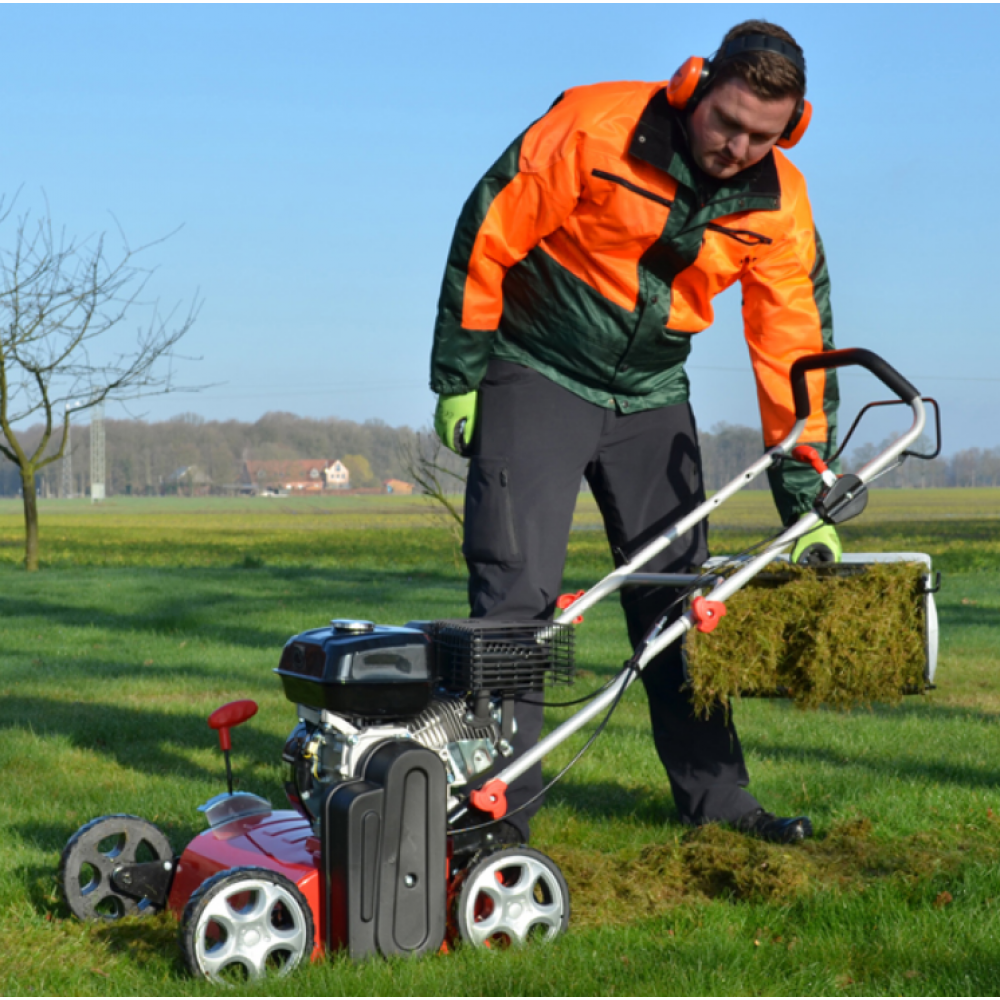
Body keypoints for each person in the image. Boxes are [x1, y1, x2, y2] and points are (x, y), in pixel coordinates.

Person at [429, 20, 841, 845]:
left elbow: (792, 343)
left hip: (652, 391)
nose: (736, 146)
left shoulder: (779, 201)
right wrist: (460, 372)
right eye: (726, 121)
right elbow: (490, 229)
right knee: (516, 600)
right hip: (537, 366)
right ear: (697, 88)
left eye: (762, 135)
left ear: (789, 126)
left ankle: (719, 805)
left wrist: (806, 495)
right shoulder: (595, 126)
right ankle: (496, 814)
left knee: (686, 601)